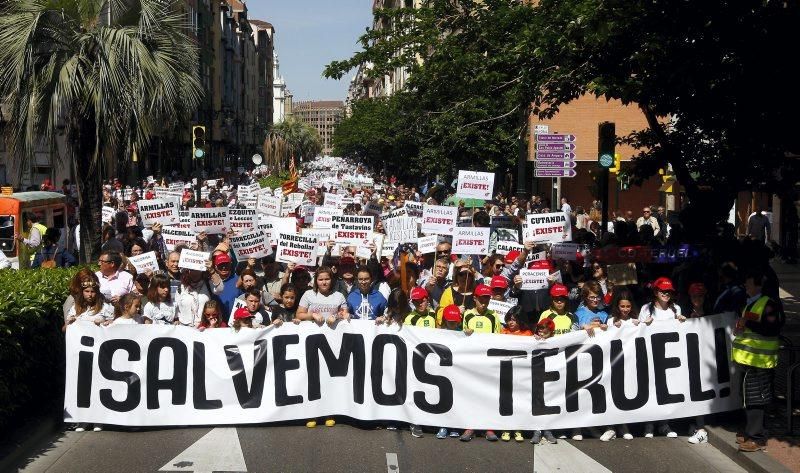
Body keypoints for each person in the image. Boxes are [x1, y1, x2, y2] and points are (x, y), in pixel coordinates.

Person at [732, 270, 784, 452]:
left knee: (756, 399)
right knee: (749, 398)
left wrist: (747, 324)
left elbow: (772, 328)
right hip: (748, 360)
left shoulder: (769, 304)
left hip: (760, 361)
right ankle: (750, 432)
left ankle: (757, 438)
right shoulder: (752, 303)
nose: (746, 285)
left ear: (759, 285)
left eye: (749, 282)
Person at [297, 267, 347, 429]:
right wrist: (312, 315)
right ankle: (312, 413)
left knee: (329, 378)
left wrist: (337, 316)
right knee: (313, 377)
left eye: (327, 279)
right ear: (315, 281)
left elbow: (346, 314)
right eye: (320, 279)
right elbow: (299, 314)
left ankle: (329, 413)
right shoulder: (308, 295)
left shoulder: (339, 296)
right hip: (313, 343)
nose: (324, 282)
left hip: (334, 344)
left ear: (331, 280)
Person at [637, 277, 681, 438]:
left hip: (670, 356)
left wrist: (682, 322)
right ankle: (649, 424)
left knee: (666, 389)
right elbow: (637, 333)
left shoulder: (676, 309)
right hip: (650, 354)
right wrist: (644, 324)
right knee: (652, 389)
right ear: (655, 292)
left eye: (669, 291)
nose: (666, 294)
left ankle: (664, 424)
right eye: (663, 291)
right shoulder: (646, 309)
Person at [460, 284, 501, 442]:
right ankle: (470, 426)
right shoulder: (468, 315)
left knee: (488, 394)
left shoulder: (493, 316)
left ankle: (488, 427)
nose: (484, 302)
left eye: (487, 298)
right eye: (482, 299)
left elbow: (498, 338)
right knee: (471, 394)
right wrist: (466, 334)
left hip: (488, 362)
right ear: (475, 298)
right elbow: (463, 337)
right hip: (471, 362)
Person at [498, 306, 530, 443]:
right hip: (505, 373)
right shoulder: (502, 333)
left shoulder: (527, 334)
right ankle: (506, 427)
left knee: (519, 401)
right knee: (506, 400)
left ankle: (518, 428)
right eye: (509, 319)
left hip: (521, 374)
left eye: (514, 320)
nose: (511, 322)